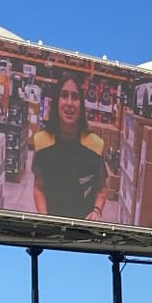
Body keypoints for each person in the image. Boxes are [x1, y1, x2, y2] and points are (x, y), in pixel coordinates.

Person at [30, 72, 111, 220]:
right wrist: (44, 218)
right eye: (64, 95)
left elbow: (102, 187)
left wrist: (97, 210)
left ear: (81, 105)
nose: (69, 103)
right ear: (56, 101)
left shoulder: (94, 145)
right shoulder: (43, 143)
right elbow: (38, 187)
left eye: (75, 97)